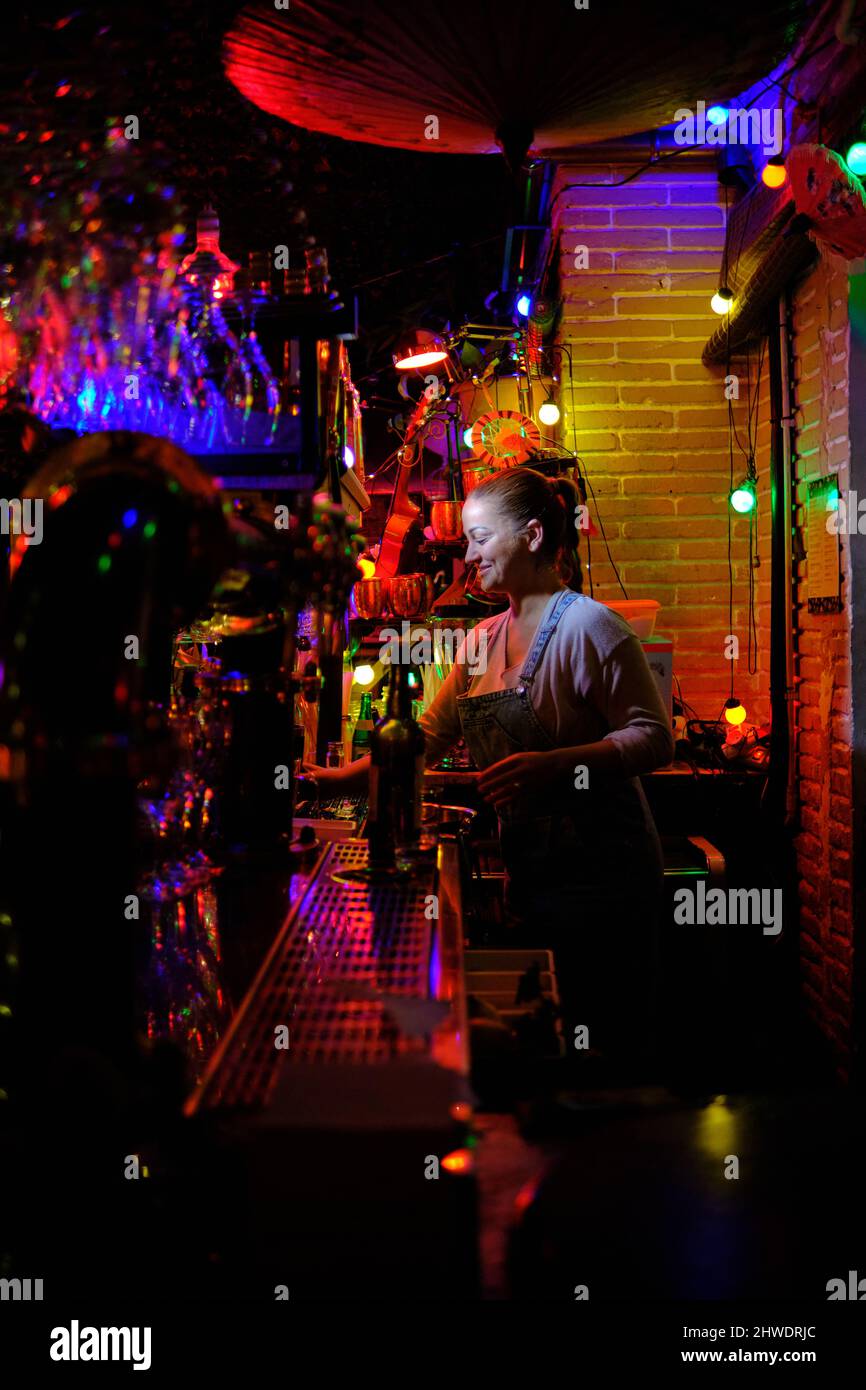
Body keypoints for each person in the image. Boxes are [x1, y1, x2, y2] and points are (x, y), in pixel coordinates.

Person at [308, 466, 674, 1080]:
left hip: (604, 879)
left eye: (480, 539)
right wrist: (337, 779)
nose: (468, 555)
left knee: (610, 1048)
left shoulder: (591, 628)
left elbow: (653, 738)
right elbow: (423, 738)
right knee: (552, 1037)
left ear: (532, 536)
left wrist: (557, 765)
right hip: (535, 873)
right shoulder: (483, 636)